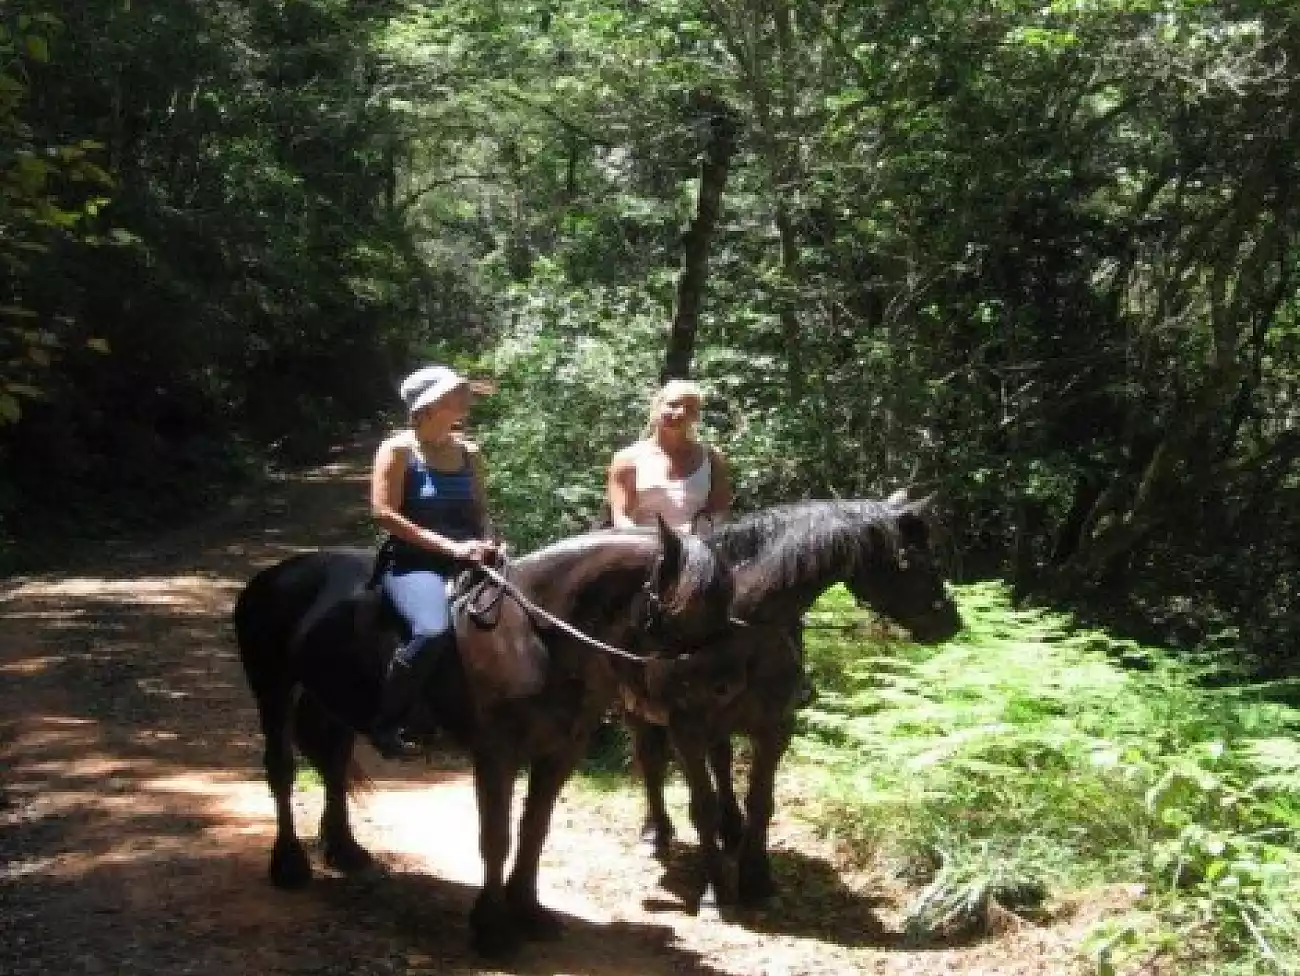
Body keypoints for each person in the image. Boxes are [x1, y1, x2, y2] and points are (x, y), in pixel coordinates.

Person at [368, 364, 498, 759]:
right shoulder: (398, 450)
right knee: (432, 630)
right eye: (455, 394)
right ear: (428, 406)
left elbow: (481, 510)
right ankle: (387, 723)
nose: (464, 400)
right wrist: (450, 548)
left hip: (471, 557)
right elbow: (384, 513)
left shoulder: (469, 453)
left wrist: (490, 540)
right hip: (413, 563)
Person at [607, 378, 732, 533]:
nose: (680, 413)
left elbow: (719, 512)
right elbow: (621, 518)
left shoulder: (712, 459)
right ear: (657, 407)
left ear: (696, 417)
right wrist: (655, 540)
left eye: (690, 409)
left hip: (699, 543)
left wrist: (696, 533)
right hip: (643, 543)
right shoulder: (627, 459)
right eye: (673, 405)